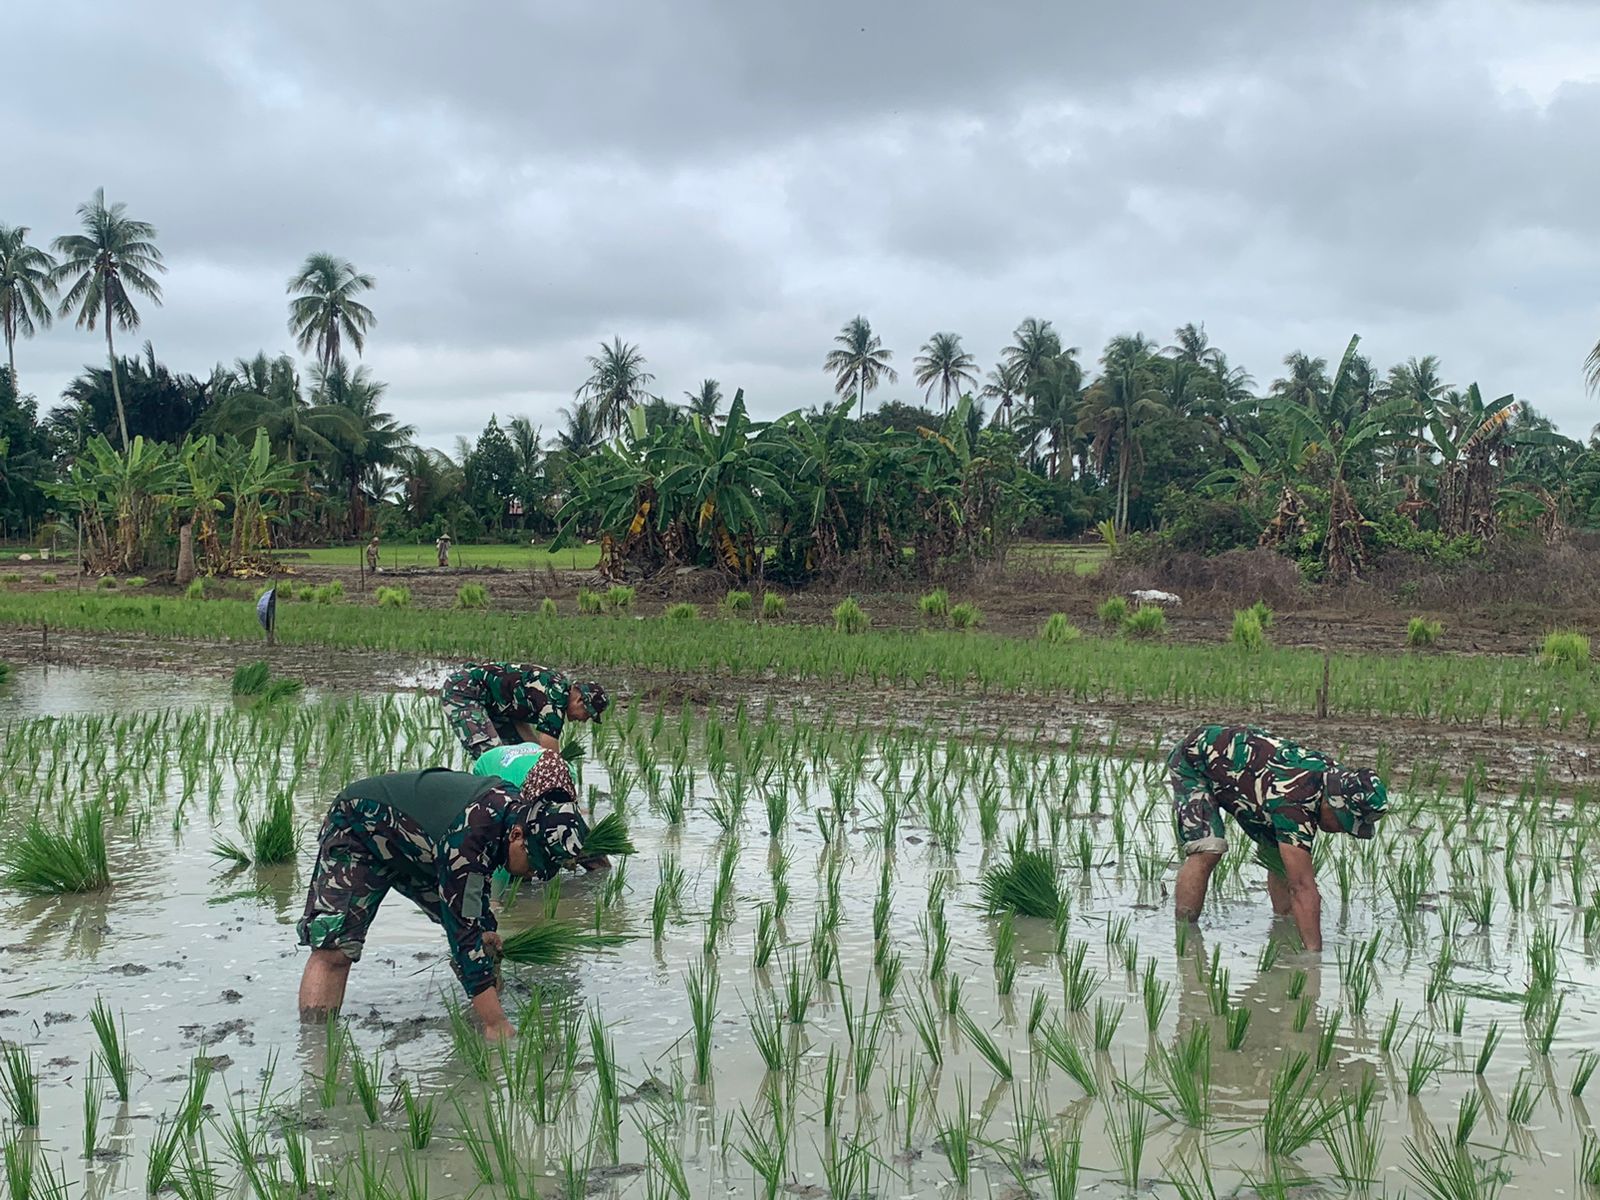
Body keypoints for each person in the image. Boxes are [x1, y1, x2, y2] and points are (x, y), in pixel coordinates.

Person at [296, 753, 598, 1040]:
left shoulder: (514, 817)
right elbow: (463, 932)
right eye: (533, 863)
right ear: (517, 836)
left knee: (483, 938)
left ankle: (477, 1019)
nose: (532, 873)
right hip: (358, 829)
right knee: (335, 950)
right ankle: (316, 1047)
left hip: (419, 847)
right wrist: (497, 1026)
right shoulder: (471, 835)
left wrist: (484, 930)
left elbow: (473, 896)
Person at [1169, 723, 1387, 952]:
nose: (1342, 830)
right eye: (1343, 823)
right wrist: (1314, 958)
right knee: (1208, 849)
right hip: (1195, 761)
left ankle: (1284, 930)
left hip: (1253, 781)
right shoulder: (1294, 802)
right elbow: (1302, 887)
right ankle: (1185, 935)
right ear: (1332, 804)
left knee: (1283, 859)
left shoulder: (1343, 783)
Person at [440, 662, 609, 759]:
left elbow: (520, 722)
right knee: (495, 758)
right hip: (464, 691)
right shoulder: (557, 697)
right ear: (579, 701)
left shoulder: (556, 690)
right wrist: (561, 778)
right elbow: (550, 755)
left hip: (496, 707)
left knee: (520, 756)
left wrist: (534, 751)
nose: (584, 720)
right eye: (588, 714)